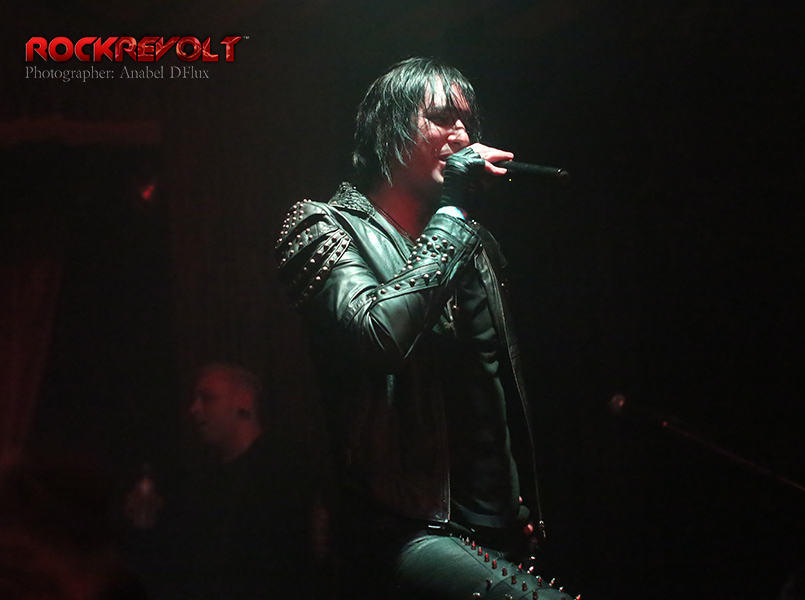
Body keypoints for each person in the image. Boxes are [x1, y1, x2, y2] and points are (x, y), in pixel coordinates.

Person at [276, 57, 577, 599]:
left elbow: (491, 388)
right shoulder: (322, 225)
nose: (460, 133)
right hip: (399, 528)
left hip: (495, 532)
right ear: (387, 130)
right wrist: (454, 214)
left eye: (467, 121)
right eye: (440, 117)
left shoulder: (473, 246)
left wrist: (510, 504)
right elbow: (377, 337)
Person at [157, 363, 323, 600]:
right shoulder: (205, 481)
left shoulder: (284, 469)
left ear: (245, 400)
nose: (194, 409)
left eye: (208, 398)